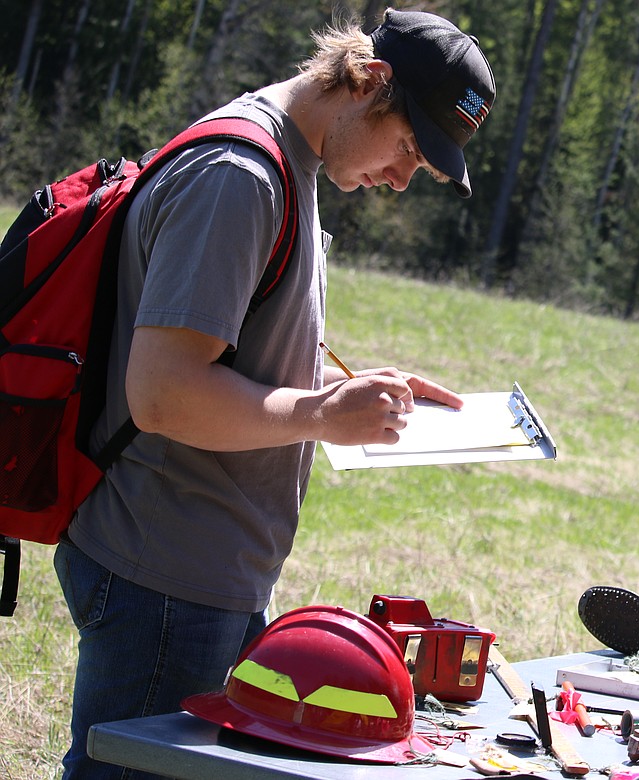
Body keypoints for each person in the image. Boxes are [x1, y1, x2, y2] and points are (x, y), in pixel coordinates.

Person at [52, 8, 495, 779]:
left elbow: (231, 361)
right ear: (368, 81)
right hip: (165, 569)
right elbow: (162, 394)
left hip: (202, 565)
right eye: (407, 147)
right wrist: (323, 416)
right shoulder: (240, 178)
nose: (400, 178)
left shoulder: (293, 162)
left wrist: (347, 393)